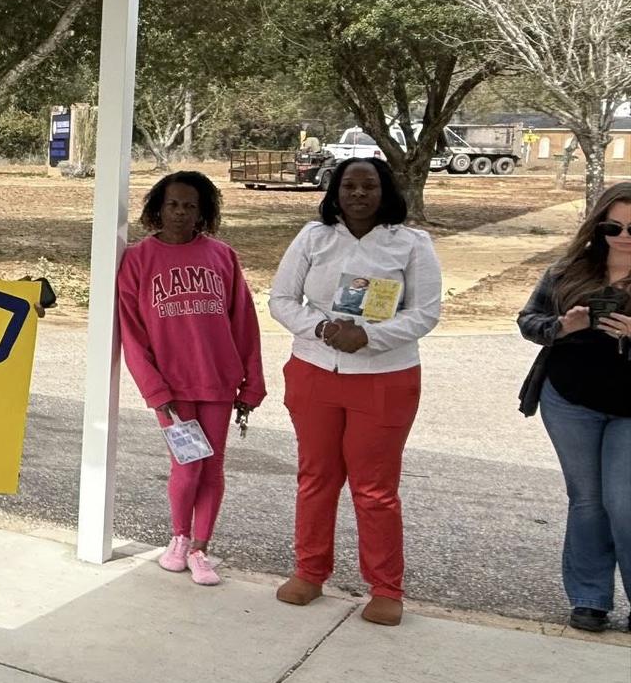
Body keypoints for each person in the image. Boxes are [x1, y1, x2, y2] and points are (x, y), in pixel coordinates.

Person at [267, 158, 440, 627]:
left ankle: (385, 589)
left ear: (385, 191)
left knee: (375, 489)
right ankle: (309, 571)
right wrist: (322, 328)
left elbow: (425, 313)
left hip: (385, 378)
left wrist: (370, 337)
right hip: (315, 370)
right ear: (335, 190)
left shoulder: (411, 244)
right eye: (349, 185)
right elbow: (281, 300)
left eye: (369, 185)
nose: (359, 193)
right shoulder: (313, 237)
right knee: (316, 477)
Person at [117, 171, 265, 587]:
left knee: (212, 466)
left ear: (203, 212)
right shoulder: (138, 260)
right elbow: (132, 331)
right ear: (157, 209)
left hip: (218, 382)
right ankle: (178, 539)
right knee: (187, 465)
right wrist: (154, 389)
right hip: (172, 390)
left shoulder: (222, 256)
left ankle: (201, 547)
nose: (180, 213)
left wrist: (251, 382)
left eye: (190, 206)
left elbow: (245, 323)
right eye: (173, 205)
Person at [516, 181, 631, 633]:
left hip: (629, 408)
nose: (623, 235)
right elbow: (528, 321)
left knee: (623, 503)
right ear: (598, 225)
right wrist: (562, 326)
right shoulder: (567, 271)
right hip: (569, 401)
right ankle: (589, 599)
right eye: (613, 225)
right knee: (587, 501)